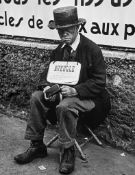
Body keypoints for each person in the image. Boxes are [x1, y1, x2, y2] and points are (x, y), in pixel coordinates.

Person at [14, 6, 111, 174]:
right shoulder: (59, 51)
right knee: (37, 97)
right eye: (60, 30)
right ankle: (37, 145)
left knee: (65, 105)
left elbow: (99, 82)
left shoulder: (92, 49)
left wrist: (76, 90)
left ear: (77, 28)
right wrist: (47, 88)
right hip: (61, 98)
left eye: (68, 30)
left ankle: (67, 150)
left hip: (90, 100)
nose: (63, 34)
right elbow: (47, 76)